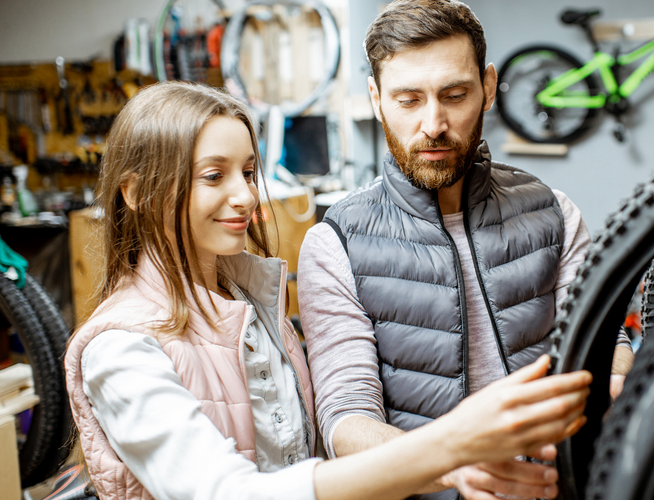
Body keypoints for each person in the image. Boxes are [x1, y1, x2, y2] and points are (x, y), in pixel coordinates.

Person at [63, 81, 592, 500]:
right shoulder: (121, 348)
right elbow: (226, 492)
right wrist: (447, 447)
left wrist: (452, 467)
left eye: (248, 171)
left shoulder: (250, 301)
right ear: (136, 193)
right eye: (213, 176)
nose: (244, 196)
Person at [296, 1, 635, 499]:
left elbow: (612, 349)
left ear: (489, 88)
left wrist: (616, 383)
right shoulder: (335, 243)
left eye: (454, 95)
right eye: (408, 100)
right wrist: (457, 467)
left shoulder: (554, 212)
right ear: (375, 97)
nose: (434, 123)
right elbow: (347, 422)